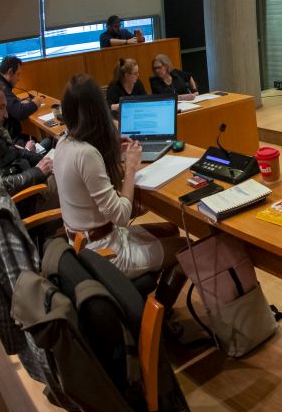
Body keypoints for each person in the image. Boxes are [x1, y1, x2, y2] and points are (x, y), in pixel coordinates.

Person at [52, 74, 185, 278]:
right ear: (99, 110)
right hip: (106, 254)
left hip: (88, 241)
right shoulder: (87, 154)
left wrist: (112, 145)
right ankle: (156, 308)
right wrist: (131, 168)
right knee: (187, 247)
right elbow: (122, 216)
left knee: (170, 229)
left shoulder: (63, 143)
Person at [0, 79, 53, 199]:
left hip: (27, 178)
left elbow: (15, 151)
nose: (6, 115)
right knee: (68, 181)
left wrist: (43, 159)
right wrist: (38, 172)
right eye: (1, 108)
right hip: (28, 198)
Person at [0, 56, 41, 143]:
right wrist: (35, 103)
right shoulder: (1, 87)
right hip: (11, 140)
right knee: (36, 141)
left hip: (7, 136)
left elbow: (11, 103)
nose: (18, 79)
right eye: (17, 74)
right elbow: (19, 112)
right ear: (10, 72)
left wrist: (17, 100)